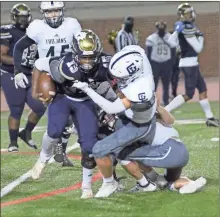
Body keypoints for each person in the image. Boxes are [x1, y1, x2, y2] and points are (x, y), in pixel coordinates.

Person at [30, 29, 116, 199]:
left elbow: (118, 81)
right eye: (84, 57)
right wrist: (35, 90)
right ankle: (43, 159)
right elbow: (39, 64)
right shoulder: (64, 63)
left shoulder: (106, 63)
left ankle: (86, 185)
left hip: (87, 101)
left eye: (91, 57)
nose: (88, 62)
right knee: (54, 131)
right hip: (64, 97)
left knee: (89, 145)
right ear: (75, 53)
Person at [72, 45, 158, 197]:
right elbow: (135, 49)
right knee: (121, 152)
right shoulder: (139, 56)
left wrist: (88, 90)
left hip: (138, 125)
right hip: (132, 117)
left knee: (99, 149)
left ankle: (109, 183)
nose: (119, 80)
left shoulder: (139, 89)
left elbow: (111, 108)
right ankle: (147, 184)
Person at [13, 1, 82, 165]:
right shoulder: (37, 27)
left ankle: (61, 149)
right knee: (59, 115)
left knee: (74, 112)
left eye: (57, 11)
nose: (53, 15)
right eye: (49, 12)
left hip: (69, 72)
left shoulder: (72, 24)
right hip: (48, 75)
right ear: (43, 13)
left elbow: (81, 47)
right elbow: (19, 47)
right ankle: (58, 150)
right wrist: (18, 71)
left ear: (62, 10)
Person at [120, 99, 206, 194]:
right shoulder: (155, 117)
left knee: (125, 154)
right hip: (182, 151)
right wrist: (158, 107)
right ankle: (188, 183)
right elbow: (171, 120)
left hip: (170, 151)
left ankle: (145, 184)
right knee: (168, 182)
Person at [0, 3, 46, 152]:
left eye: (25, 17)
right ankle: (13, 142)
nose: (23, 20)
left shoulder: (33, 31)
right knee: (16, 109)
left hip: (29, 73)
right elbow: (2, 56)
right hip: (11, 73)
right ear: (14, 17)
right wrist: (21, 63)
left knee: (39, 107)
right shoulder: (7, 31)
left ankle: (26, 132)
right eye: (20, 17)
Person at [166, 3, 219, 127]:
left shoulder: (184, 27)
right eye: (189, 13)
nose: (191, 15)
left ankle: (210, 118)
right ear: (184, 15)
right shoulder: (186, 27)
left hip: (191, 63)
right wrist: (200, 38)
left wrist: (176, 33)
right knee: (189, 94)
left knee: (203, 90)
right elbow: (198, 48)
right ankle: (165, 110)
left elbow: (171, 43)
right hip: (189, 63)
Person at [146, 21, 176, 106]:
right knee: (153, 85)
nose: (161, 30)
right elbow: (149, 53)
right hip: (155, 63)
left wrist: (171, 63)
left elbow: (173, 52)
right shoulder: (151, 38)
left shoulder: (170, 37)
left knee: (166, 85)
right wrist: (150, 65)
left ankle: (165, 102)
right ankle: (152, 102)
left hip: (166, 63)